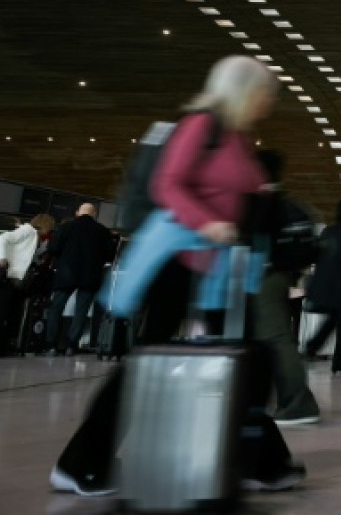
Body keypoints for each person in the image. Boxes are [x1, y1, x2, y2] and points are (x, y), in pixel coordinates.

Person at [49, 54, 303, 497]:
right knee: (147, 363)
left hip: (218, 269)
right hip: (179, 263)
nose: (270, 100)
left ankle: (257, 459)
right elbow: (167, 184)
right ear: (243, 90)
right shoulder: (202, 126)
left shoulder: (237, 136)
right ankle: (80, 462)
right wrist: (208, 222)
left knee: (245, 359)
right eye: (265, 91)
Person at [250, 149, 321, 426]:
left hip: (264, 277)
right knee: (274, 339)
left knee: (277, 339)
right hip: (278, 275)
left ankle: (298, 403)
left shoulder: (262, 200)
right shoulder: (283, 202)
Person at [41, 204, 114, 356]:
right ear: (94, 214)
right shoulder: (103, 231)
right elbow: (110, 255)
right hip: (90, 276)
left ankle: (50, 345)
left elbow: (53, 249)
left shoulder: (66, 227)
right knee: (81, 311)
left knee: (56, 308)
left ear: (77, 213)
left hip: (66, 274)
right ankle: (72, 346)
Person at [303, 198, 341, 373]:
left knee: (333, 321)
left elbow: (318, 256)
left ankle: (312, 346)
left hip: (325, 286)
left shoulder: (327, 232)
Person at [0, 213, 56, 286]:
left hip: (15, 273)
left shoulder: (34, 233)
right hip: (10, 271)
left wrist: (39, 262)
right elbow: (2, 238)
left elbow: (29, 253)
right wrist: (2, 258)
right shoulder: (29, 231)